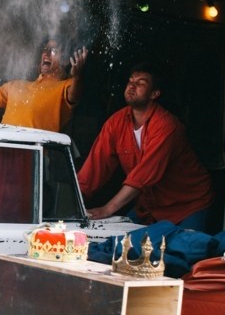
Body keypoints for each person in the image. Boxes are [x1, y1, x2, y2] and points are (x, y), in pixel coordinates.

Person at [77, 62, 214, 231]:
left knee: (187, 252)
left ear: (154, 93)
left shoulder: (166, 125)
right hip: (151, 207)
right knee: (123, 246)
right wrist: (74, 202)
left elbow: (143, 175)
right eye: (130, 81)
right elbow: (94, 167)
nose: (132, 86)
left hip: (188, 205)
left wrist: (108, 208)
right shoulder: (115, 123)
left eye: (141, 83)